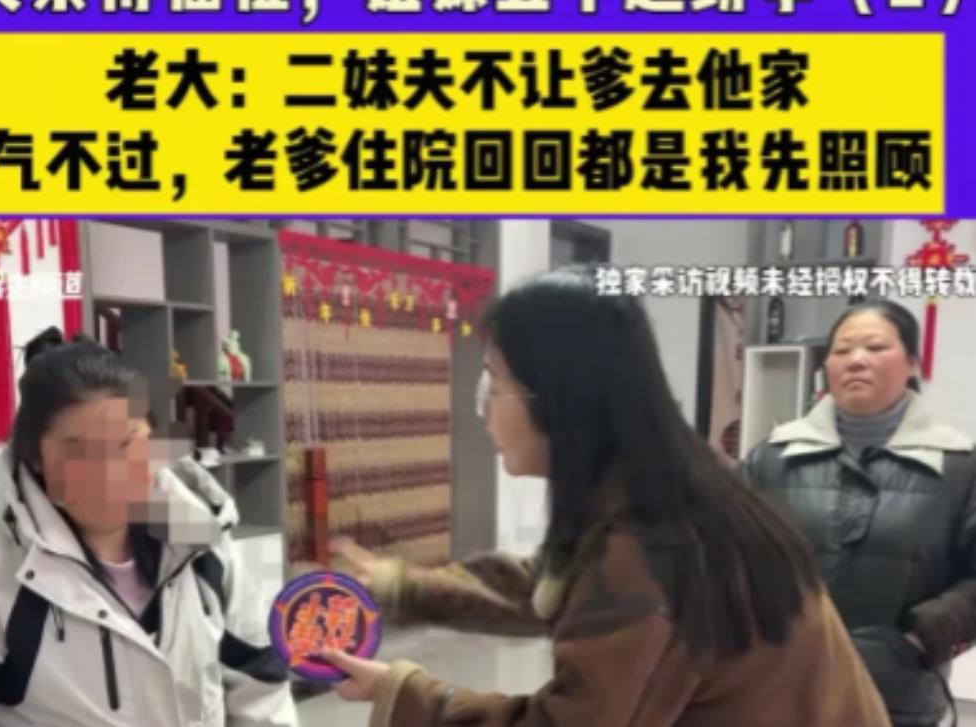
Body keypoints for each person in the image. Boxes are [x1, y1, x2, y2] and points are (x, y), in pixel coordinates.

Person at [321, 267, 890, 727]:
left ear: (560, 398)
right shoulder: (666, 483)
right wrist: (405, 589)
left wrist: (403, 692)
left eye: (494, 383)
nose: (484, 410)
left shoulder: (653, 542)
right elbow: (551, 584)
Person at [0, 327, 298, 727]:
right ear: (35, 459)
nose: (112, 474)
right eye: (81, 453)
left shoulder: (201, 537)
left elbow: (259, 681)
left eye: (126, 443)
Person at [744, 300, 976, 727]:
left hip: (897, 693)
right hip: (780, 687)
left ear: (911, 363)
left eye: (875, 347)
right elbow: (728, 558)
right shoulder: (772, 457)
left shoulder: (960, 465)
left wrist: (923, 637)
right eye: (842, 349)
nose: (856, 360)